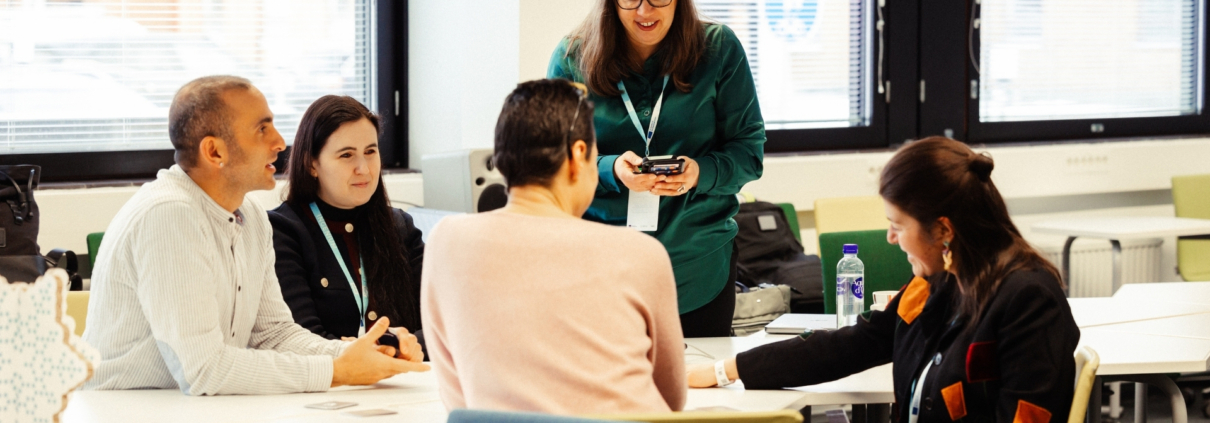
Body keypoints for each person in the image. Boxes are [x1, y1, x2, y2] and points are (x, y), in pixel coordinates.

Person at [687, 137, 1081, 422]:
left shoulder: (1028, 299)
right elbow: (852, 344)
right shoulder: (938, 282)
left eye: (897, 225)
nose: (891, 238)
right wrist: (725, 370)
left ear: (943, 230)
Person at [82, 76, 427, 395]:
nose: (280, 142)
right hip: (124, 409)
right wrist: (337, 370)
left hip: (191, 406)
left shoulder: (252, 218)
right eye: (262, 129)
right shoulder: (169, 214)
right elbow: (204, 370)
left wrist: (360, 352)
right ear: (215, 151)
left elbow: (274, 334)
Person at [421, 79, 686, 414]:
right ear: (578, 155)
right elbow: (671, 398)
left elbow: (461, 402)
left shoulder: (446, 241)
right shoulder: (638, 253)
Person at [548, 0, 766, 337]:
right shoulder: (571, 57)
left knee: (699, 385)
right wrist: (611, 169)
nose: (644, 11)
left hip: (697, 268)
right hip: (602, 271)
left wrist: (700, 172)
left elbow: (748, 153)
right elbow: (557, 163)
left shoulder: (719, 48)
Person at [268, 95, 427, 355]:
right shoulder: (282, 231)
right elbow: (300, 338)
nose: (363, 168)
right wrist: (378, 354)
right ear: (312, 164)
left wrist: (401, 348)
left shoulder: (400, 227)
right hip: (331, 386)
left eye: (370, 152)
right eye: (346, 155)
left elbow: (442, 323)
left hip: (405, 382)